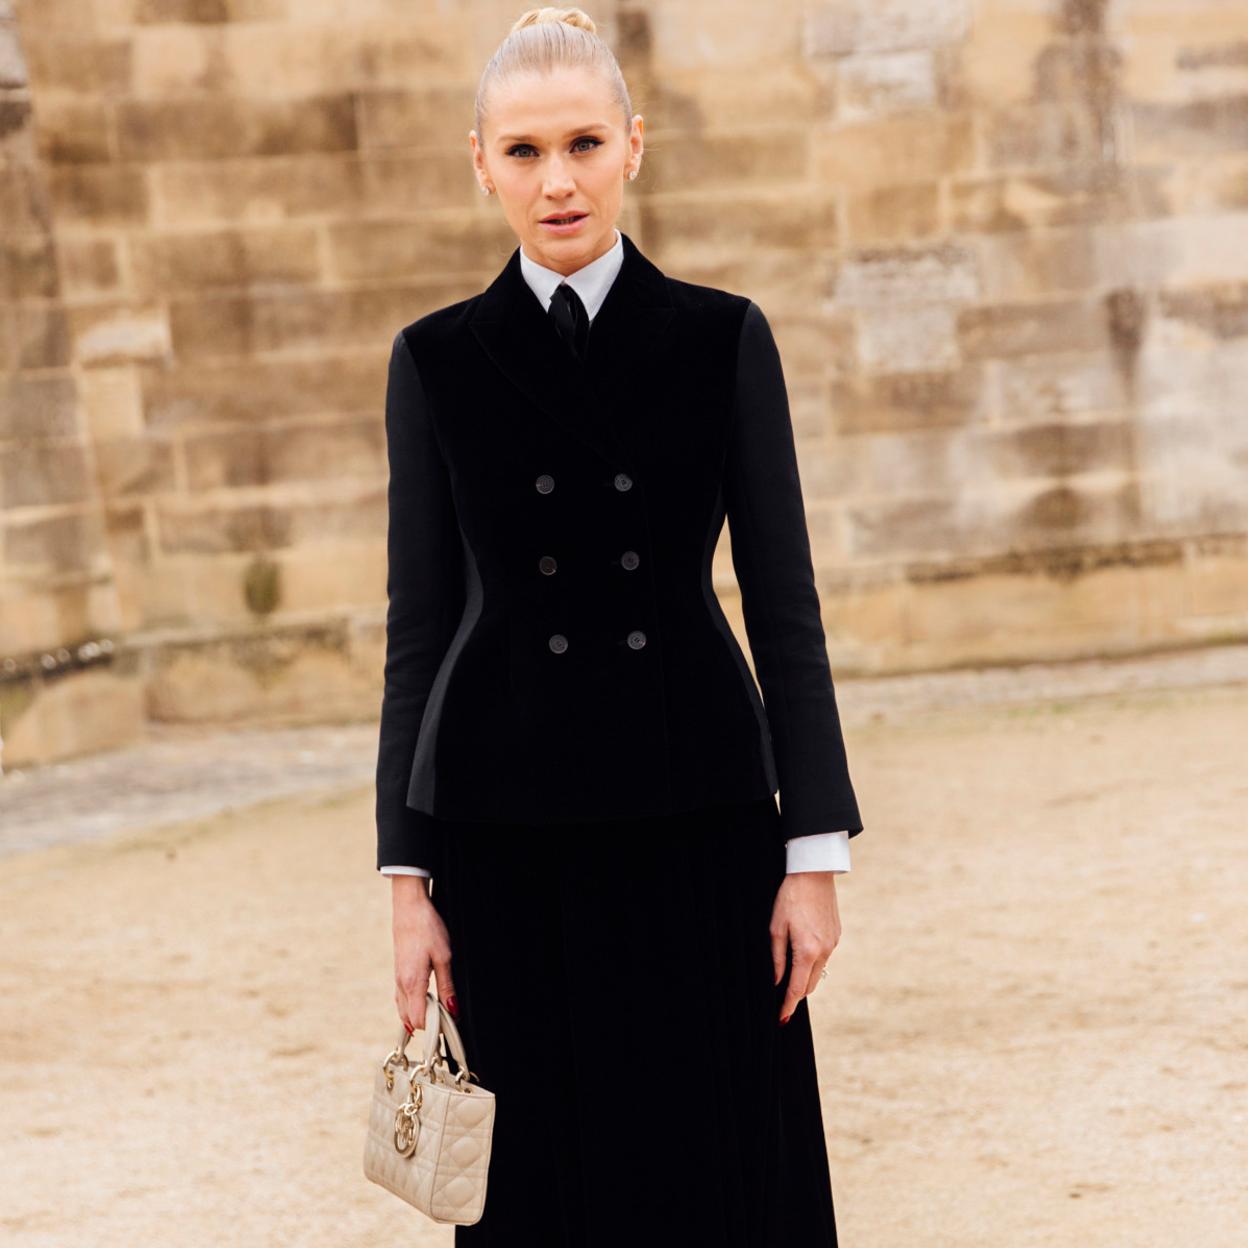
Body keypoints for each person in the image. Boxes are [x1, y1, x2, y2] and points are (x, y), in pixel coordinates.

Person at [374, 8, 865, 1244]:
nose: (558, 180)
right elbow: (418, 631)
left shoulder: (722, 337)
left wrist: (813, 855)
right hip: (504, 830)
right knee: (546, 1189)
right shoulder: (434, 361)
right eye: (525, 150)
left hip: (699, 813)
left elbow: (786, 604)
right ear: (480, 162)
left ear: (633, 146)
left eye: (584, 144)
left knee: (719, 1168)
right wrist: (407, 882)